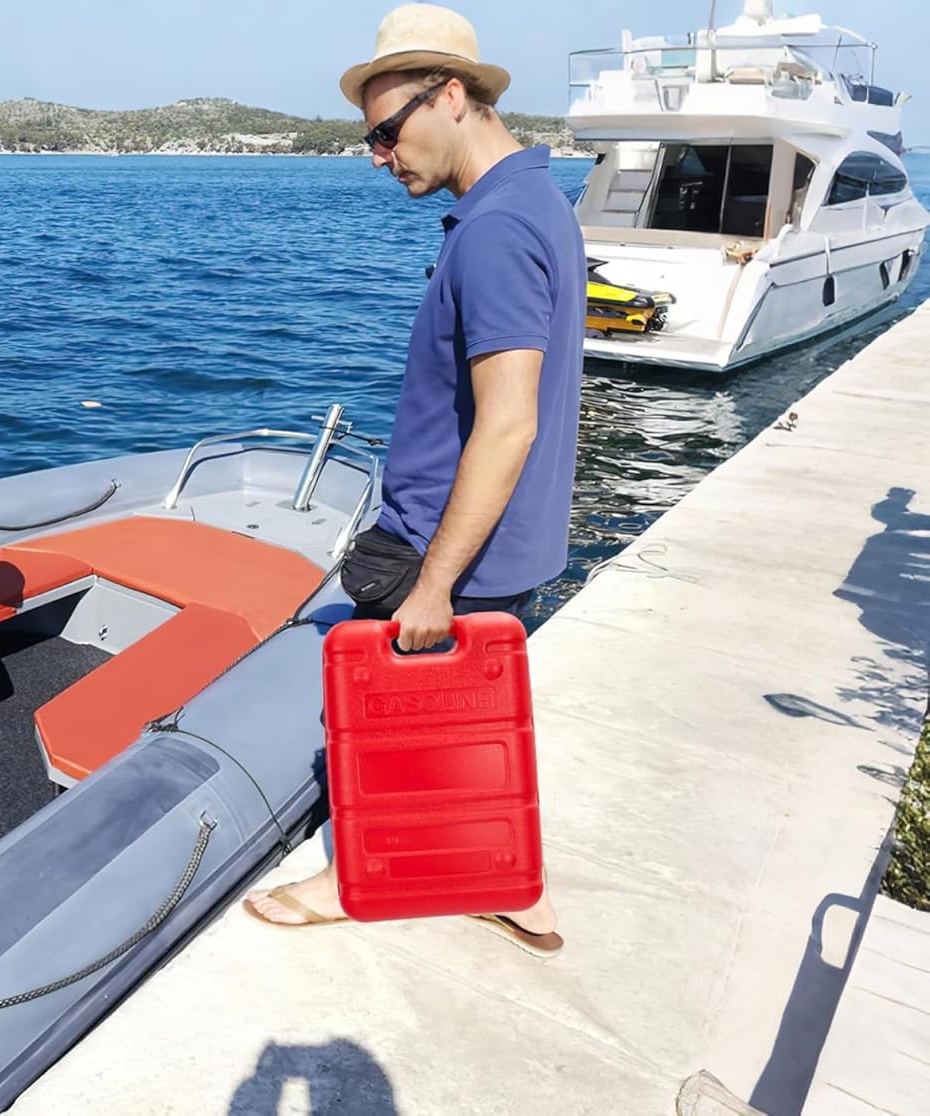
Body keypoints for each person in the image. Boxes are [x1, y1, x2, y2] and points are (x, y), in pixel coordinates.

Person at [243, 4, 583, 957]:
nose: (379, 156)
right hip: (508, 540)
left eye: (388, 132)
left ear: (453, 97)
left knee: (391, 723)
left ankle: (357, 880)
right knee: (464, 724)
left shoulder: (495, 230)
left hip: (450, 544)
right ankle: (518, 892)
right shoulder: (538, 201)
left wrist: (434, 582)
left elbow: (508, 420)